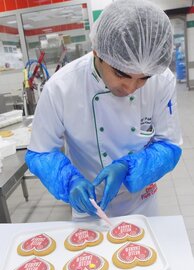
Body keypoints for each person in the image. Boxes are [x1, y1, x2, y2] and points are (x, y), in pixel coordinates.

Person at [26, 0, 182, 220]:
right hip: (88, 205)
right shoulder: (62, 87)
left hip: (142, 203)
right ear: (97, 52)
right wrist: (69, 181)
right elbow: (40, 151)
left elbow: (169, 146)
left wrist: (127, 169)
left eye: (143, 79)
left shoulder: (162, 80)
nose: (130, 88)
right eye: (121, 75)